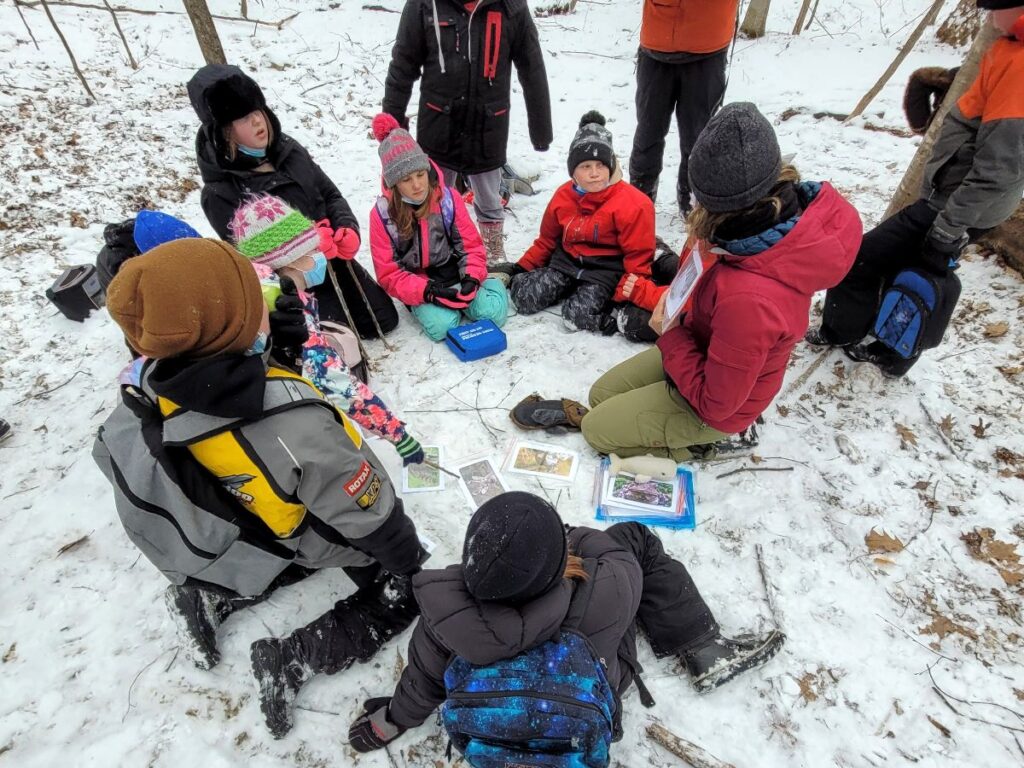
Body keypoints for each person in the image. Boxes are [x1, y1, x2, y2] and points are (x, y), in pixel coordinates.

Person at [92, 239, 425, 739]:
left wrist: (276, 351)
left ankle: (210, 597)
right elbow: (367, 510)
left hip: (232, 517)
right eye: (254, 301)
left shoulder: (155, 375)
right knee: (401, 591)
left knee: (282, 531)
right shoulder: (290, 421)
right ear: (228, 324)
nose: (269, 304)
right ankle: (292, 657)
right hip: (296, 526)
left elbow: (227, 395)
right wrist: (407, 560)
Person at [346, 492, 784, 758]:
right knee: (636, 539)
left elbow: (424, 675)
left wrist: (394, 719)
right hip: (592, 682)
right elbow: (606, 548)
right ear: (561, 563)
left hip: (498, 703)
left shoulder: (446, 614)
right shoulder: (609, 578)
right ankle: (700, 645)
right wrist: (568, 535)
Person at [581, 103, 862, 461]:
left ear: (722, 205)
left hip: (720, 404)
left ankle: (704, 443)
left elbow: (716, 404)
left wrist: (672, 334)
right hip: (702, 345)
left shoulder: (750, 298)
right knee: (600, 395)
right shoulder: (744, 230)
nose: (695, 205)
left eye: (702, 200)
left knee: (597, 431)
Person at [806, 1, 1024, 376]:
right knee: (910, 267)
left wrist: (948, 228)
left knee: (865, 258)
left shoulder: (1021, 66)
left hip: (955, 205)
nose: (988, 17)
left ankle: (857, 336)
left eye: (994, 9)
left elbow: (999, 170)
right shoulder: (1010, 46)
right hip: (954, 199)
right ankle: (890, 348)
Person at [187, 64, 399, 339]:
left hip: (333, 259)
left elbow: (329, 193)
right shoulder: (220, 192)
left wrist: (346, 226)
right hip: (295, 279)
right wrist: (307, 244)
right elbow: (251, 261)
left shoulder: (289, 149)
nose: (256, 122)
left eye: (256, 111)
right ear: (224, 132)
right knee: (336, 340)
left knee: (383, 320)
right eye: (242, 119)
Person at [229, 192, 426, 462]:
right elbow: (336, 381)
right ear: (291, 258)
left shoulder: (258, 290)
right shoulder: (287, 312)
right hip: (282, 419)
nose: (320, 254)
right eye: (312, 250)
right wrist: (398, 435)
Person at [382, 0, 553, 264]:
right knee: (431, 194)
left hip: (488, 123)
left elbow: (532, 66)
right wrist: (392, 125)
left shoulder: (511, 7)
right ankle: (433, 245)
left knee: (488, 195)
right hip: (439, 123)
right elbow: (403, 63)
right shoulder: (424, 5)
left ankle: (492, 245)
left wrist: (541, 130)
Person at [492, 111, 675, 342]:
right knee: (524, 298)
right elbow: (547, 241)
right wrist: (521, 268)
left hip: (605, 272)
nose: (594, 173)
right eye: (585, 166)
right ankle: (566, 289)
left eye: (600, 165)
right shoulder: (563, 196)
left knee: (575, 317)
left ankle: (611, 315)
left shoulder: (633, 204)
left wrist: (620, 299)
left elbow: (637, 259)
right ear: (573, 172)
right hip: (567, 263)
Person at [368, 114, 508, 341]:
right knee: (441, 328)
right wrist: (428, 293)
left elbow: (471, 247)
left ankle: (491, 283)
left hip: (454, 270)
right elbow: (389, 274)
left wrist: (471, 278)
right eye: (406, 180)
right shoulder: (382, 216)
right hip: (419, 282)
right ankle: (435, 306)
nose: (416, 185)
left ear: (427, 170)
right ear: (393, 184)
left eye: (420, 174)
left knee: (492, 313)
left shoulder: (448, 199)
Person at [628, 0, 739, 216]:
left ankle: (692, 197)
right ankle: (639, 195)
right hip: (657, 43)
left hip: (707, 44)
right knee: (648, 130)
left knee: (698, 136)